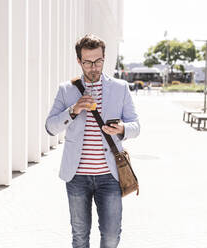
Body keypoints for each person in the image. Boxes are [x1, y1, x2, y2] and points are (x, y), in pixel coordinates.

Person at [45, 34, 140, 248]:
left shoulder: (120, 87)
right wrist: (73, 110)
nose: (94, 67)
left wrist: (123, 128)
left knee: (111, 236)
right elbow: (50, 127)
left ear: (104, 58)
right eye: (88, 62)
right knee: (79, 237)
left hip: (110, 176)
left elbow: (136, 126)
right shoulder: (66, 90)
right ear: (79, 61)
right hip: (76, 176)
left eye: (98, 61)